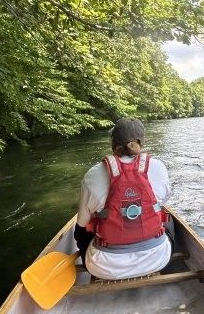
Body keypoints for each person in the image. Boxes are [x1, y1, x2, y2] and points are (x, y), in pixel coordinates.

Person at [74, 118, 173, 280]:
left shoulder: (93, 174)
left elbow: (82, 224)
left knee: (83, 229)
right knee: (169, 219)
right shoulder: (159, 167)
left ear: (113, 143)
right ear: (142, 141)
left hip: (104, 268)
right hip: (157, 260)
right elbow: (161, 203)